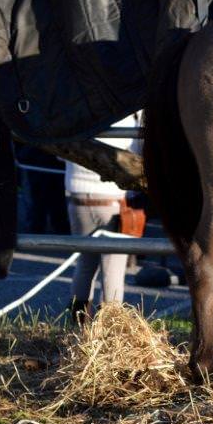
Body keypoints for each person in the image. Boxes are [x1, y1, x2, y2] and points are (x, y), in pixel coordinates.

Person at [66, 113, 141, 324]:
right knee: (113, 269)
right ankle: (110, 328)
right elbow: (137, 154)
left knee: (85, 262)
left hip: (77, 194)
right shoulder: (129, 113)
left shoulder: (77, 109)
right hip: (113, 199)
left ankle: (77, 323)